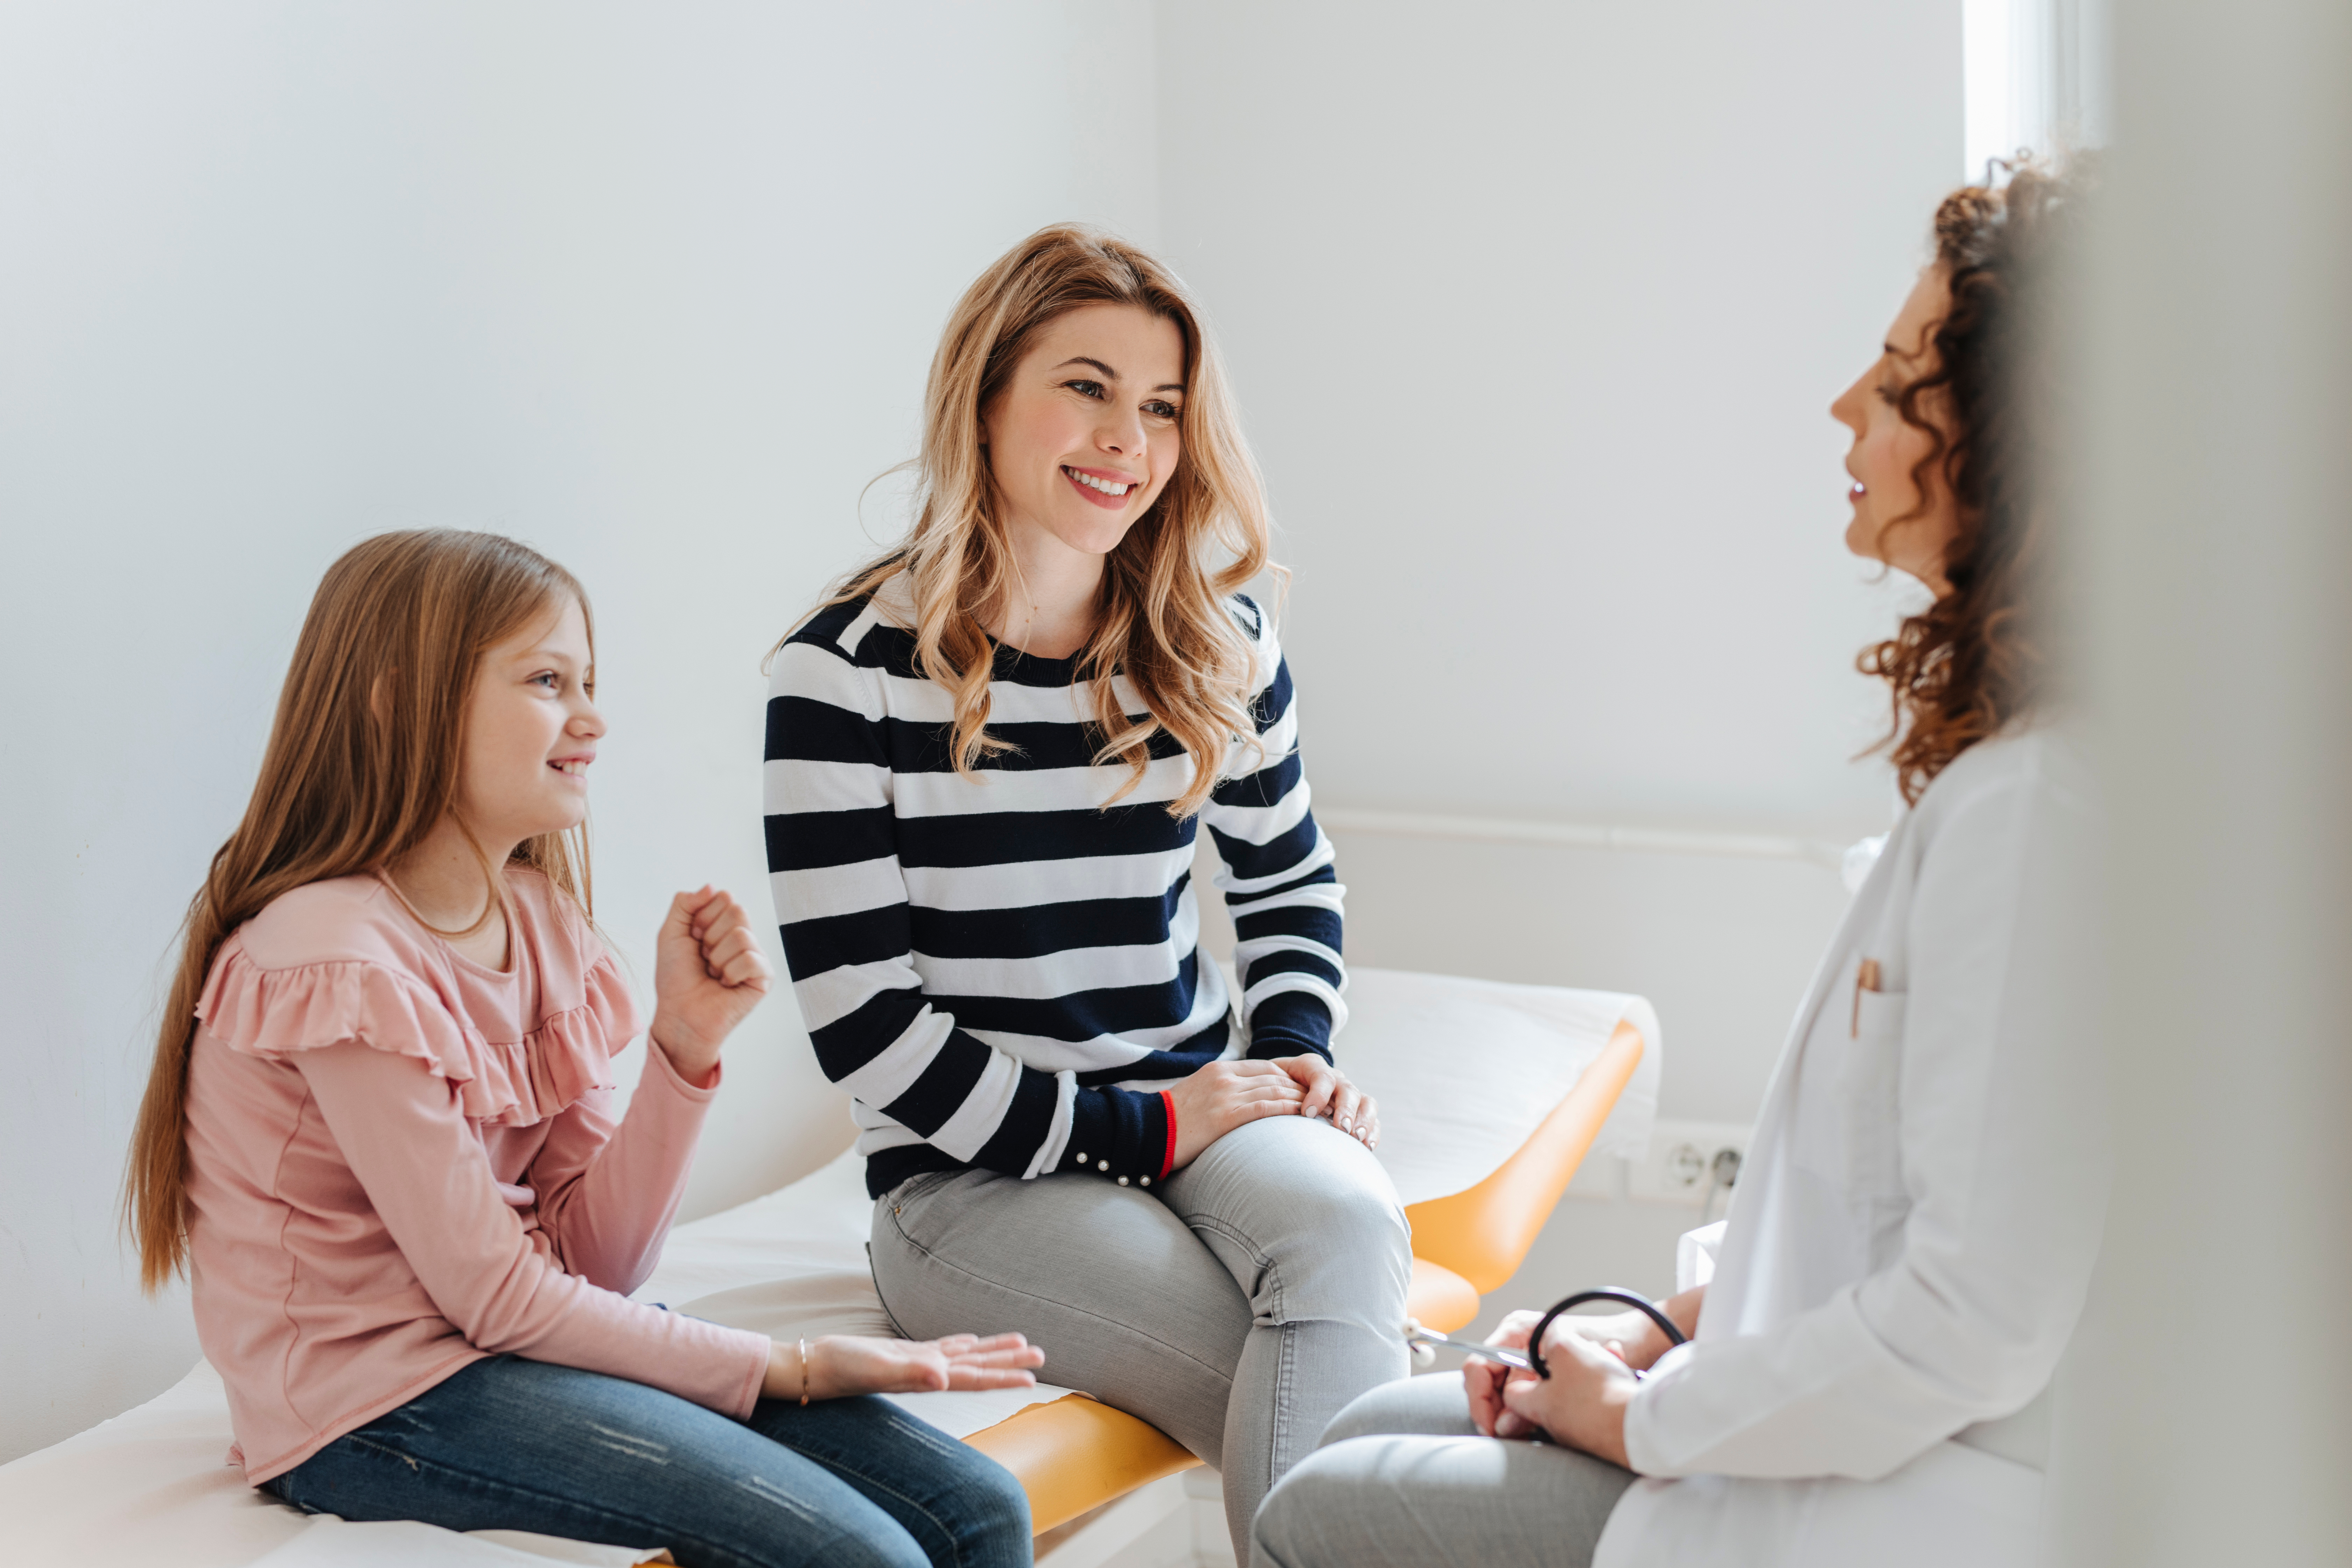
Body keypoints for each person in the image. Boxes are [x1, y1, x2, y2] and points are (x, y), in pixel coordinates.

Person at [1250, 165, 2105, 1568]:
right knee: (1364, 1429)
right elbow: (1866, 1218)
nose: (1846, 406)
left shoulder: (2038, 814)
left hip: (1920, 1501)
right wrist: (1650, 1327)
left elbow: (1973, 1321)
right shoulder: (2010, 777)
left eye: (1901, 382)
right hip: (1818, 1417)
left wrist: (1647, 1416)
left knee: (1316, 1514)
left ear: (2020, 446)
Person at [124, 530, 1043, 1568]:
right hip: (374, 1404)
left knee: (980, 1510)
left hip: (520, 1346)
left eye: (589, 683)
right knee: (855, 1556)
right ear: (397, 701)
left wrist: (681, 1050)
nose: (594, 719)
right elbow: (494, 1295)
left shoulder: (540, 924)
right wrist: (785, 1364)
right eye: (547, 681)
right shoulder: (334, 957)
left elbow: (595, 1264)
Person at [762, 225, 1411, 1556]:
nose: (1130, 438)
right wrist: (1144, 1131)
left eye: (1164, 406)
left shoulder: (1218, 645)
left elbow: (1289, 880)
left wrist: (1297, 1051)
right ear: (988, 395)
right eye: (1088, 386)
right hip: (970, 1181)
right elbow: (871, 1032)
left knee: (1351, 1219)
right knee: (1329, 1397)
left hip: (1200, 1113)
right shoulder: (847, 673)